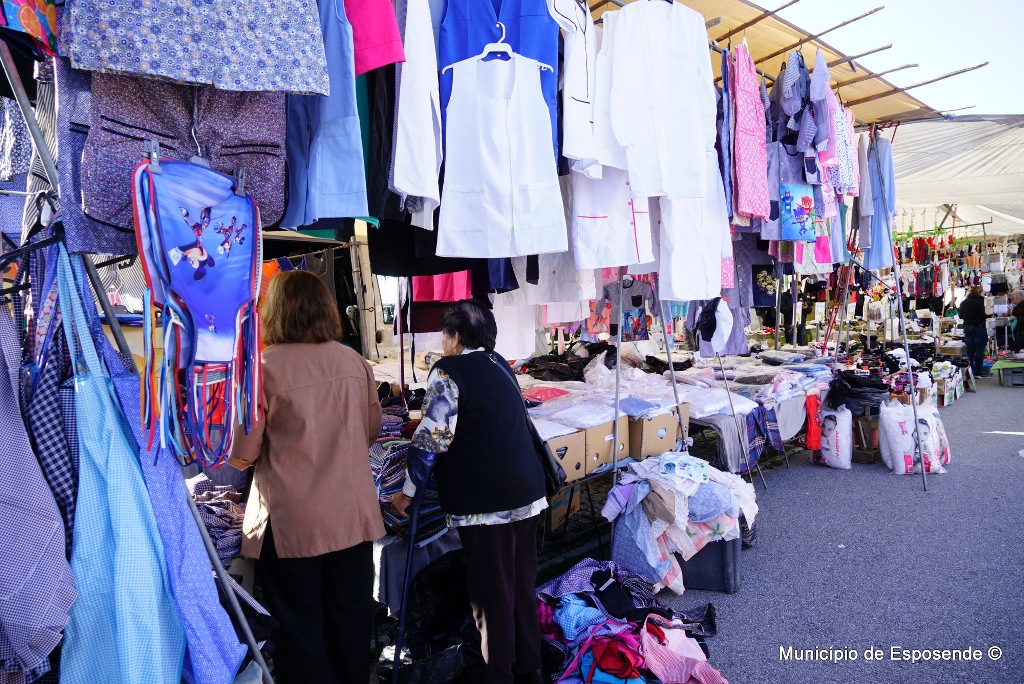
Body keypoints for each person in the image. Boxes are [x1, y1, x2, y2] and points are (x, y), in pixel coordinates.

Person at [228, 270, 384, 683]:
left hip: (292, 522)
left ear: (274, 311)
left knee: (300, 627)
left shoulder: (261, 368)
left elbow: (242, 454)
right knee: (350, 620)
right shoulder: (353, 360)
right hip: (351, 517)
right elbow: (370, 431)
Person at [392, 300, 547, 684]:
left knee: (491, 597)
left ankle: (499, 676)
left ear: (455, 337)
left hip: (487, 502)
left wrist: (408, 493)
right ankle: (530, 670)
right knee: (520, 588)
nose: (443, 343)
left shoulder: (449, 372)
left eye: (445, 335)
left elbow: (430, 440)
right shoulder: (500, 365)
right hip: (527, 492)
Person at [958, 285, 989, 378]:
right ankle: (978, 372)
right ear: (980, 293)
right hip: (979, 328)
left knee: (970, 351)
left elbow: (961, 316)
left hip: (967, 327)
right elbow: (986, 315)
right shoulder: (982, 302)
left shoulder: (964, 302)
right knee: (979, 351)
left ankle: (969, 372)